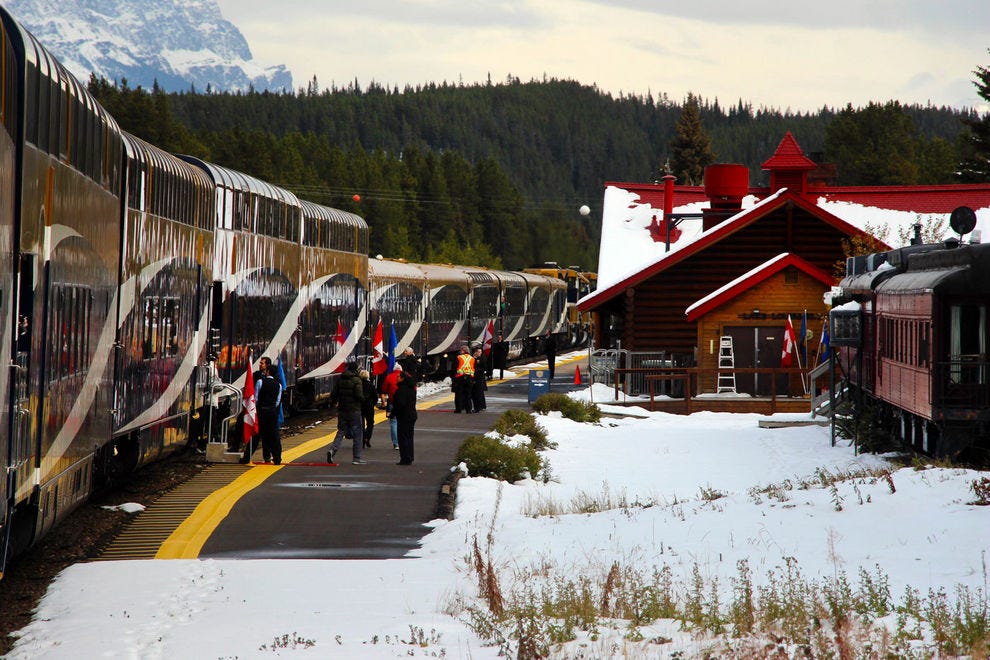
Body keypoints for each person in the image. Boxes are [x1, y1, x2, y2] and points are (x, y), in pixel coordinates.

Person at [242, 356, 283, 465]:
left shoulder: (260, 382)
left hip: (261, 412)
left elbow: (256, 398)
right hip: (272, 413)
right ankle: (277, 459)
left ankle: (246, 458)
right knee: (273, 436)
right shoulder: (278, 385)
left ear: (268, 371)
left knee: (256, 435)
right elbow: (278, 401)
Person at [328, 361, 365, 464]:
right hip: (354, 410)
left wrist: (335, 402)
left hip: (342, 409)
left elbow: (334, 394)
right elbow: (359, 395)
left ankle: (332, 449)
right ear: (356, 369)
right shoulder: (357, 380)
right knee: (358, 433)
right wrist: (363, 401)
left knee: (341, 431)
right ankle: (356, 458)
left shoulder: (340, 379)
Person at [391, 369, 418, 465]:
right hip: (412, 415)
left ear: (402, 379)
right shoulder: (411, 389)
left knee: (402, 437)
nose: (397, 378)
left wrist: (393, 413)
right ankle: (410, 456)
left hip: (403, 416)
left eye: (398, 377)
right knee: (409, 437)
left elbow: (400, 404)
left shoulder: (401, 390)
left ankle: (405, 458)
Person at [379, 364, 402, 450]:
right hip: (404, 403)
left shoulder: (389, 377)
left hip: (392, 401)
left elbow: (384, 389)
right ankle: (403, 441)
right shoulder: (407, 376)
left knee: (394, 422)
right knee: (403, 422)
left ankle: (396, 443)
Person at [453, 344, 475, 413]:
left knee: (459, 394)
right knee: (468, 394)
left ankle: (458, 409)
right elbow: (474, 368)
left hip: (460, 377)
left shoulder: (459, 357)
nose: (460, 351)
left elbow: (454, 367)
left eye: (461, 350)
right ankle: (469, 409)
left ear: (463, 351)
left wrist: (453, 377)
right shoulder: (472, 358)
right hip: (469, 378)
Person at [359, 369, 377, 448]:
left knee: (361, 424)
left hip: (360, 406)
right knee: (370, 423)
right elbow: (375, 397)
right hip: (369, 406)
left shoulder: (358, 385)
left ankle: (362, 439)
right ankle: (367, 437)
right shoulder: (371, 385)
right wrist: (373, 404)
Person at [471, 346, 488, 412]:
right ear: (475, 352)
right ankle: (480, 406)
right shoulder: (471, 358)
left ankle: (479, 407)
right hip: (473, 377)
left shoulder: (482, 358)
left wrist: (477, 370)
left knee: (479, 392)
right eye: (479, 352)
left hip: (479, 378)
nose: (480, 353)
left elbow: (484, 367)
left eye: (481, 352)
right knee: (476, 393)